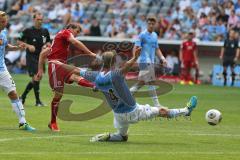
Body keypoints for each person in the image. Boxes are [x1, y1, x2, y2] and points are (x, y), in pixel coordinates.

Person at [52, 48, 198, 142]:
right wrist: (134, 58)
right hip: (132, 111)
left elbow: (76, 69)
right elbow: (126, 67)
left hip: (118, 115)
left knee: (123, 137)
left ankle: (108, 137)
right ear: (114, 62)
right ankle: (186, 111)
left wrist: (58, 63)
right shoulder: (115, 75)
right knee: (160, 111)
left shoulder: (96, 76)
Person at [37, 23, 96, 132]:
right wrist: (89, 53)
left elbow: (43, 54)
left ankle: (95, 86)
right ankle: (53, 122)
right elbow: (75, 41)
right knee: (60, 92)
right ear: (70, 29)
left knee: (75, 76)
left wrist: (40, 69)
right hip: (55, 65)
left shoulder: (59, 40)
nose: (76, 35)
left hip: (61, 65)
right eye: (77, 32)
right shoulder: (65, 32)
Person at [0, 11, 35, 131]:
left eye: (5, 21)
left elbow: (5, 45)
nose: (5, 24)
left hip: (2, 69)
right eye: (2, 22)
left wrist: (16, 47)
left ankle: (22, 122)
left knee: (13, 93)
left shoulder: (3, 32)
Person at [129, 15, 167, 108]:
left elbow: (157, 48)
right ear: (147, 24)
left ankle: (127, 96)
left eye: (152, 24)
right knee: (151, 82)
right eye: (149, 23)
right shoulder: (142, 35)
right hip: (144, 61)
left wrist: (162, 58)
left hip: (151, 61)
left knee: (141, 82)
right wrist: (135, 58)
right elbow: (136, 47)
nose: (150, 25)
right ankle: (157, 104)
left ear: (155, 25)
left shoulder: (155, 35)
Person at [18, 12, 51, 106]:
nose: (40, 21)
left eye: (41, 19)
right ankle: (38, 101)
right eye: (38, 19)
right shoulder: (27, 30)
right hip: (31, 56)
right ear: (33, 20)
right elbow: (19, 40)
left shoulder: (45, 31)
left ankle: (23, 97)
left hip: (41, 56)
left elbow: (48, 41)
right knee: (37, 76)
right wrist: (28, 46)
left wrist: (47, 45)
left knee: (38, 78)